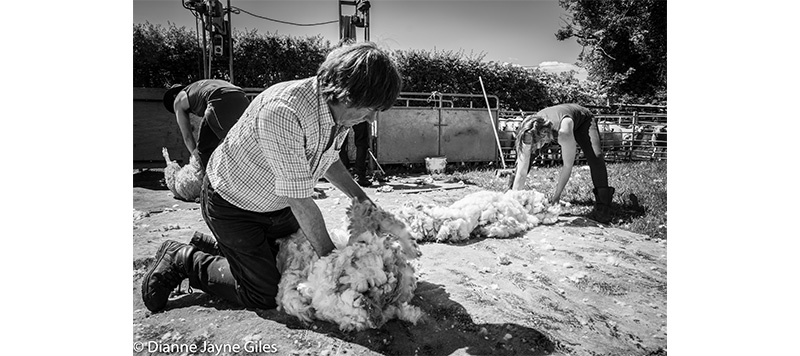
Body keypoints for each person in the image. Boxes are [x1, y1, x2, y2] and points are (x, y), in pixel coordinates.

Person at [142, 41, 403, 313]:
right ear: (347, 94)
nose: (371, 119)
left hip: (277, 207)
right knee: (267, 294)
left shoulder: (337, 112)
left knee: (294, 266)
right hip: (234, 207)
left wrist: (362, 200)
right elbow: (301, 202)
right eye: (371, 109)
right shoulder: (284, 111)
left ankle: (216, 248)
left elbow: (328, 158)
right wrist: (337, 267)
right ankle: (185, 258)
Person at [510, 103, 615, 223]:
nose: (534, 146)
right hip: (548, 127)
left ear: (544, 134)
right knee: (526, 159)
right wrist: (513, 201)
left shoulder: (563, 131)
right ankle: (510, 194)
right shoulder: (528, 131)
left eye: (535, 143)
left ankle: (603, 206)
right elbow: (522, 171)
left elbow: (567, 165)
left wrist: (557, 196)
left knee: (595, 156)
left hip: (582, 121)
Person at [163, 79, 250, 169]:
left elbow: (187, 137)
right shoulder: (197, 88)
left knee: (204, 151)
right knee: (241, 143)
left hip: (219, 98)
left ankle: (210, 181)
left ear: (174, 96)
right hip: (241, 96)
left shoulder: (177, 100)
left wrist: (196, 158)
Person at [338, 121, 372, 187]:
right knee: (361, 142)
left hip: (345, 113)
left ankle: (343, 174)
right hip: (360, 113)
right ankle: (360, 176)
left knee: (341, 142)